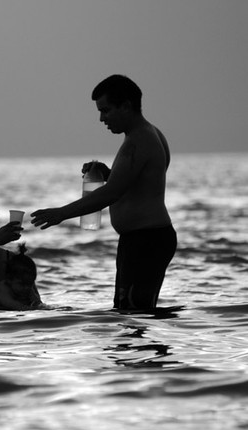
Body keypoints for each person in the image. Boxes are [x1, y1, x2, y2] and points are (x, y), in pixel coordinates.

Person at [31, 74, 176, 312]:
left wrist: (60, 213)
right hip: (145, 238)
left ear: (126, 106)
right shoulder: (149, 135)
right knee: (131, 312)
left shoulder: (138, 141)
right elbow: (138, 184)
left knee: (134, 312)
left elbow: (112, 194)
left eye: (106, 110)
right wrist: (106, 172)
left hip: (146, 240)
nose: (101, 118)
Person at [0, 244, 44, 311]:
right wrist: (27, 308)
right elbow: (9, 303)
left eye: (30, 283)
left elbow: (37, 302)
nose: (26, 288)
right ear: (9, 279)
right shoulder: (2, 287)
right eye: (22, 284)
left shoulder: (28, 288)